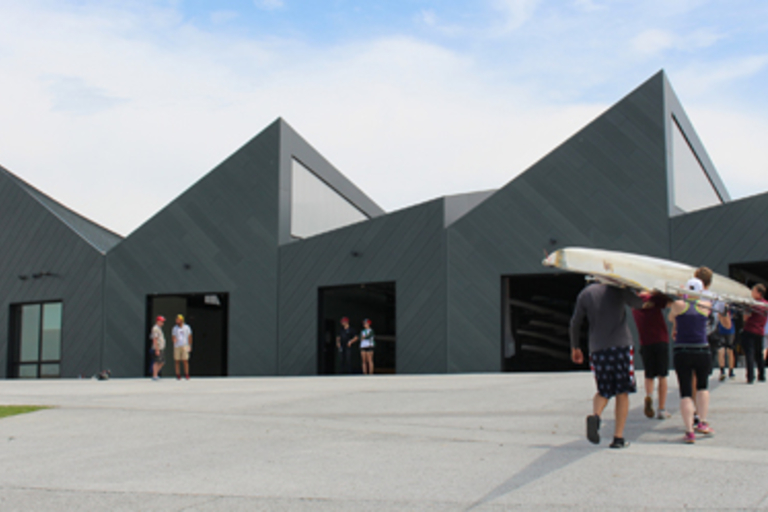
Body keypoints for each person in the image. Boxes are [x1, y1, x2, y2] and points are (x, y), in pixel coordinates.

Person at [570, 282, 643, 449]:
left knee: (604, 390)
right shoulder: (618, 288)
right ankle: (618, 438)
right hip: (621, 346)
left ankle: (595, 415)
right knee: (622, 391)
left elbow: (575, 322)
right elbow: (639, 304)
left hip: (597, 349)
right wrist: (637, 291)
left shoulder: (585, 293)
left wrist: (575, 347)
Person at [668, 271, 731, 444]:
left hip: (682, 350)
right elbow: (718, 312)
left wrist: (680, 296)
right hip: (702, 349)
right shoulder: (705, 304)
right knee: (703, 387)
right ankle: (702, 422)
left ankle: (689, 431)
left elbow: (671, 317)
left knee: (686, 392)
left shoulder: (678, 304)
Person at [632, 292, 672, 420]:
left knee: (649, 375)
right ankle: (661, 409)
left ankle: (649, 395)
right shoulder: (655, 298)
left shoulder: (634, 302)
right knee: (662, 376)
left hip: (645, 341)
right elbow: (671, 303)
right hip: (660, 339)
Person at [741, 284, 768, 384]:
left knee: (749, 354)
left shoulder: (752, 304)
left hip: (750, 330)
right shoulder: (766, 304)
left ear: (759, 293)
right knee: (759, 354)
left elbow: (745, 318)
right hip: (760, 331)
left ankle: (750, 376)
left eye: (753, 291)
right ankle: (762, 375)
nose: (751, 292)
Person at [712, 309, 736, 381]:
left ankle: (727, 371)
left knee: (726, 350)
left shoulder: (722, 307)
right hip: (726, 330)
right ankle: (726, 371)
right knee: (725, 350)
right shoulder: (726, 307)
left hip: (726, 330)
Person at [172, 314, 192, 380]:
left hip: (185, 345)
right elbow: (173, 336)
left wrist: (189, 345)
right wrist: (174, 340)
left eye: (178, 319)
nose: (177, 321)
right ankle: (178, 374)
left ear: (181, 320)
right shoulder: (175, 328)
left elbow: (189, 336)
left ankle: (186, 374)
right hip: (177, 346)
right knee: (177, 360)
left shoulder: (187, 327)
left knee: (185, 360)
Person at [150, 315, 166, 380]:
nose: (162, 323)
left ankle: (155, 374)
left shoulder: (159, 328)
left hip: (161, 348)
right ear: (158, 321)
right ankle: (155, 375)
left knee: (161, 362)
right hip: (158, 348)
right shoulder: (155, 328)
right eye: (161, 321)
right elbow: (155, 339)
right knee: (157, 361)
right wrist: (157, 349)